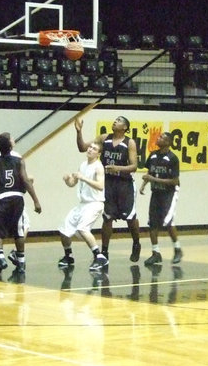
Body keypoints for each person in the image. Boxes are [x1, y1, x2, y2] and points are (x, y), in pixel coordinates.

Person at [75, 115, 141, 263]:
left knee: (130, 218)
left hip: (124, 184)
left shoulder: (129, 143)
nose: (115, 121)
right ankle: (104, 252)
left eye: (118, 121)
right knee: (107, 218)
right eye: (115, 120)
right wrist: (79, 132)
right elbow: (82, 147)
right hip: (108, 184)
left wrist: (117, 168)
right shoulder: (104, 138)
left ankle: (136, 243)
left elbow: (134, 166)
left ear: (124, 127)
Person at [0, 132, 41, 273]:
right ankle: (21, 262)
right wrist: (36, 201)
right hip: (18, 198)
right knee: (19, 231)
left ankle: (0, 256)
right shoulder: (19, 160)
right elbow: (25, 180)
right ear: (10, 145)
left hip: (3, 197)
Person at [57, 141, 108, 270]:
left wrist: (84, 178)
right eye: (90, 147)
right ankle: (68, 256)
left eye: (94, 148)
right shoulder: (83, 165)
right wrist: (67, 179)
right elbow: (72, 183)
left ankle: (99, 257)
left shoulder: (98, 167)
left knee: (82, 228)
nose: (90, 149)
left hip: (94, 203)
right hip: (83, 204)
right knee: (64, 229)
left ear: (98, 153)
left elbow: (100, 186)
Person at [140, 131, 183, 265]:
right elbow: (150, 172)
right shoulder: (153, 155)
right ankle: (156, 253)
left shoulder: (172, 158)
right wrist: (144, 184)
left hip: (169, 193)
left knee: (168, 221)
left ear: (168, 142)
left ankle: (177, 249)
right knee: (152, 222)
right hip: (156, 192)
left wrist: (153, 179)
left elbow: (175, 181)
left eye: (161, 138)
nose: (158, 139)